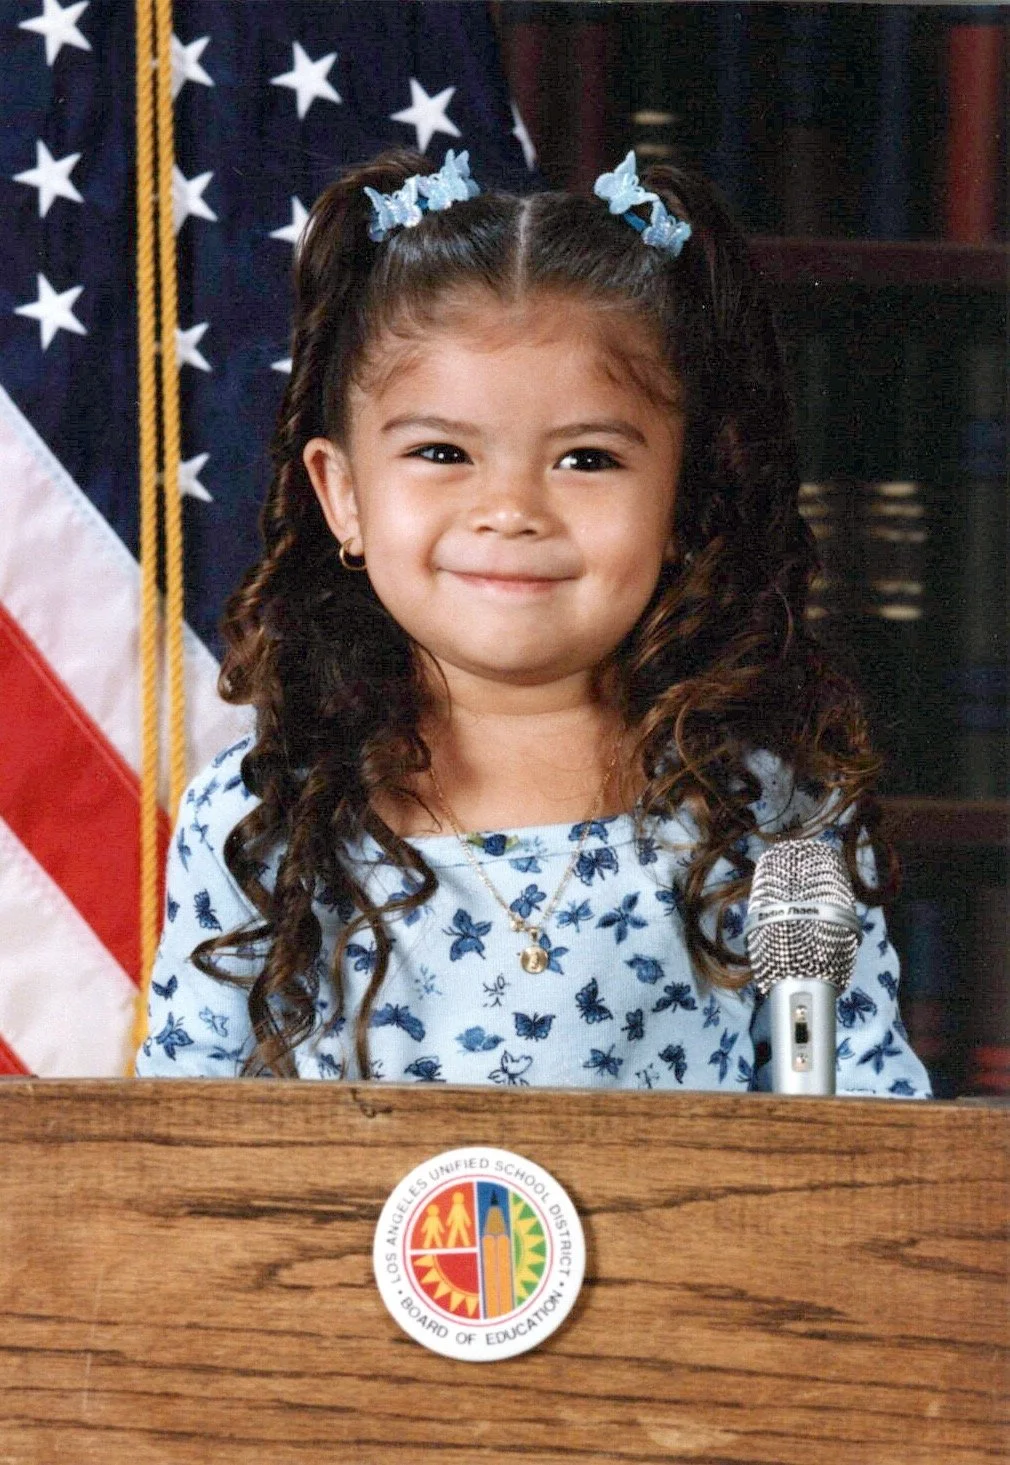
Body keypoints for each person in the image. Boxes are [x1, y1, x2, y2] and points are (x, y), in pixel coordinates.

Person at [134, 147, 931, 1098]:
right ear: (341, 495)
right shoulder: (261, 820)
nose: (510, 509)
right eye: (442, 451)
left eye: (587, 460)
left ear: (682, 502)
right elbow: (175, 1157)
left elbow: (863, 1149)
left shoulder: (778, 820)